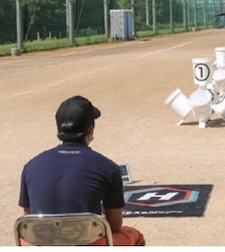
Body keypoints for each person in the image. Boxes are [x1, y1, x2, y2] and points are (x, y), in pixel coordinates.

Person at [18, 95, 146, 246]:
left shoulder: (31, 166)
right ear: (90, 130)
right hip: (87, 243)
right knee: (134, 235)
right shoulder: (108, 167)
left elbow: (29, 217)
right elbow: (115, 226)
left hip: (43, 244)